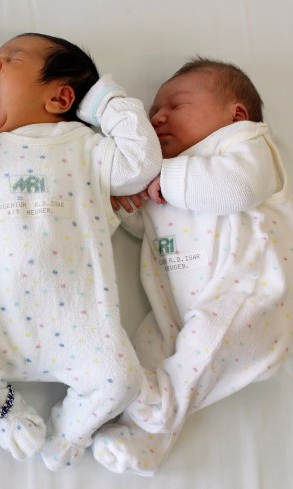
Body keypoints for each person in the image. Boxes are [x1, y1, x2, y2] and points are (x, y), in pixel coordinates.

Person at [0, 33, 162, 469]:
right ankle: (5, 413)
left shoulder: (83, 145)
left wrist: (104, 102)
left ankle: (72, 428)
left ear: (60, 97)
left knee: (122, 381)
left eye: (11, 59)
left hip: (76, 322)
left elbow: (142, 163)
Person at [93, 58, 293, 475]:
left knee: (189, 360)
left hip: (249, 298)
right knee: (143, 358)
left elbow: (237, 187)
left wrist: (162, 179)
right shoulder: (167, 176)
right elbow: (146, 225)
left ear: (235, 114)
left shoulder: (244, 146)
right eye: (153, 111)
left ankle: (156, 410)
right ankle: (143, 442)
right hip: (176, 313)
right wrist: (129, 204)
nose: (158, 116)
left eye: (176, 105)